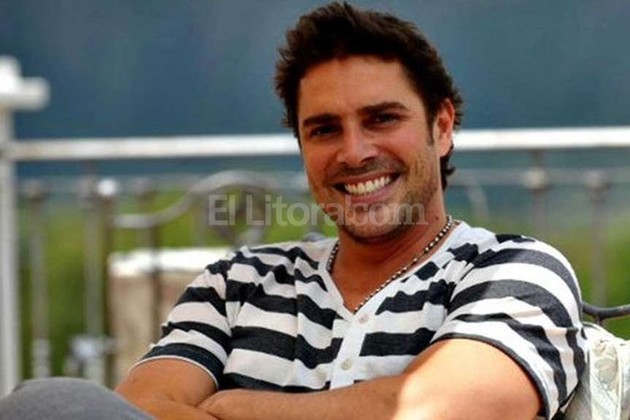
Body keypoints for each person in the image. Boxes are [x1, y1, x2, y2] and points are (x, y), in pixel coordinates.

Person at [0, 2, 585, 419]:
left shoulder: (513, 271)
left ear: (443, 125)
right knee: (48, 403)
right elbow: (143, 406)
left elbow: (437, 406)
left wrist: (234, 405)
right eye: (325, 129)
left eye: (382, 118)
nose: (354, 152)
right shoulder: (236, 284)